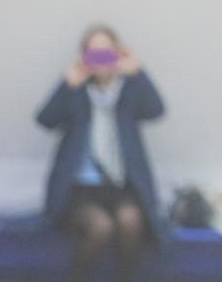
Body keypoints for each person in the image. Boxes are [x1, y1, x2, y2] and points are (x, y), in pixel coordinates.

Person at [36, 24, 167, 282]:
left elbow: (156, 110)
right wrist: (66, 85)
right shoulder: (75, 91)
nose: (101, 60)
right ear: (84, 57)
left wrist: (138, 73)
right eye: (94, 54)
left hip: (120, 186)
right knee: (100, 226)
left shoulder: (129, 90)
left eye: (106, 53)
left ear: (118, 53)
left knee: (131, 221)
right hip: (80, 188)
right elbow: (45, 120)